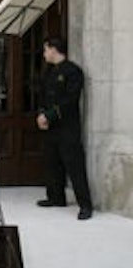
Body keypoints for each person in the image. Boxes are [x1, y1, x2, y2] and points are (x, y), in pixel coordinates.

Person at [36, 37, 93, 220]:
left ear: (54, 50)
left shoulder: (73, 71)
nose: (44, 54)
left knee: (74, 165)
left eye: (46, 50)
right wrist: (41, 114)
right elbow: (43, 95)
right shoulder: (49, 72)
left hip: (67, 126)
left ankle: (85, 205)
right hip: (51, 126)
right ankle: (55, 197)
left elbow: (70, 100)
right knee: (52, 162)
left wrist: (50, 115)